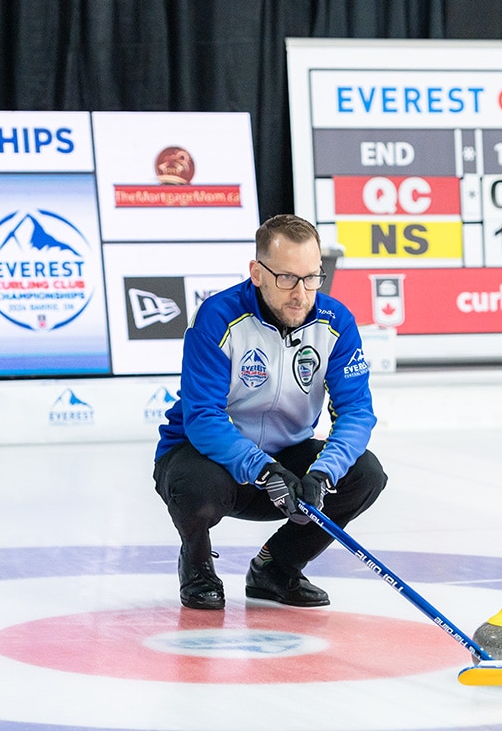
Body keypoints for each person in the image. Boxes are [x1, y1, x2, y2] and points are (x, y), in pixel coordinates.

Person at [154, 214, 387, 609]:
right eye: (287, 278)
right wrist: (263, 469)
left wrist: (322, 473)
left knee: (366, 474)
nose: (301, 293)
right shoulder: (218, 317)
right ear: (257, 273)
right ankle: (196, 564)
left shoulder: (336, 322)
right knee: (197, 489)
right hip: (212, 463)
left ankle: (275, 569)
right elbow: (203, 418)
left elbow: (357, 413)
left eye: (312, 277)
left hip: (287, 465)